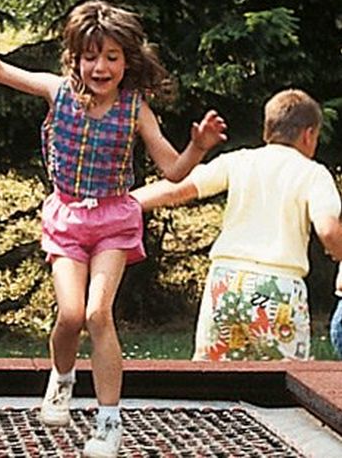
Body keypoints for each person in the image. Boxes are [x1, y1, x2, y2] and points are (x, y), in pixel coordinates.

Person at [0, 0, 226, 458]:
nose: (100, 67)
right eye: (90, 57)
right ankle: (61, 379)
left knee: (96, 313)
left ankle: (109, 422)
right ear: (75, 59)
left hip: (114, 219)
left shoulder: (135, 109)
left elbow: (172, 170)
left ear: (127, 61)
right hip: (67, 218)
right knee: (69, 314)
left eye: (111, 57)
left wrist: (197, 147)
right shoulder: (56, 90)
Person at [133, 89, 342, 362]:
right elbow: (327, 229)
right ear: (309, 134)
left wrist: (123, 203)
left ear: (268, 129)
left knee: (211, 377)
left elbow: (177, 190)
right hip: (276, 287)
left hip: (225, 282)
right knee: (290, 379)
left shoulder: (240, 160)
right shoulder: (313, 173)